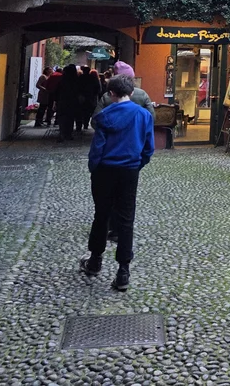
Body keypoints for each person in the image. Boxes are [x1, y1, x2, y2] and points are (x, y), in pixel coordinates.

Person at [81, 75, 154, 292]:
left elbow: (97, 148)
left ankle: (95, 260)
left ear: (111, 94)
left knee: (101, 215)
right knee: (126, 219)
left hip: (105, 170)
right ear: (131, 92)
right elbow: (148, 148)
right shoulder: (143, 115)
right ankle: (123, 271)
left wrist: (94, 168)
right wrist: (137, 165)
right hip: (129, 171)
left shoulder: (104, 116)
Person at [55, 65, 81, 141]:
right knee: (70, 118)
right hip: (72, 101)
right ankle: (68, 134)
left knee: (62, 117)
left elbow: (57, 91)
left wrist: (56, 101)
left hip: (62, 101)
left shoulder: (62, 80)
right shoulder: (76, 80)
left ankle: (62, 133)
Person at [76, 66, 102, 132]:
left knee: (80, 112)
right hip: (90, 97)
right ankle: (86, 124)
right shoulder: (93, 78)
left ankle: (79, 126)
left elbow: (76, 87)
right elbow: (98, 89)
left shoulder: (80, 78)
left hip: (81, 97)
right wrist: (94, 95)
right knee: (87, 112)